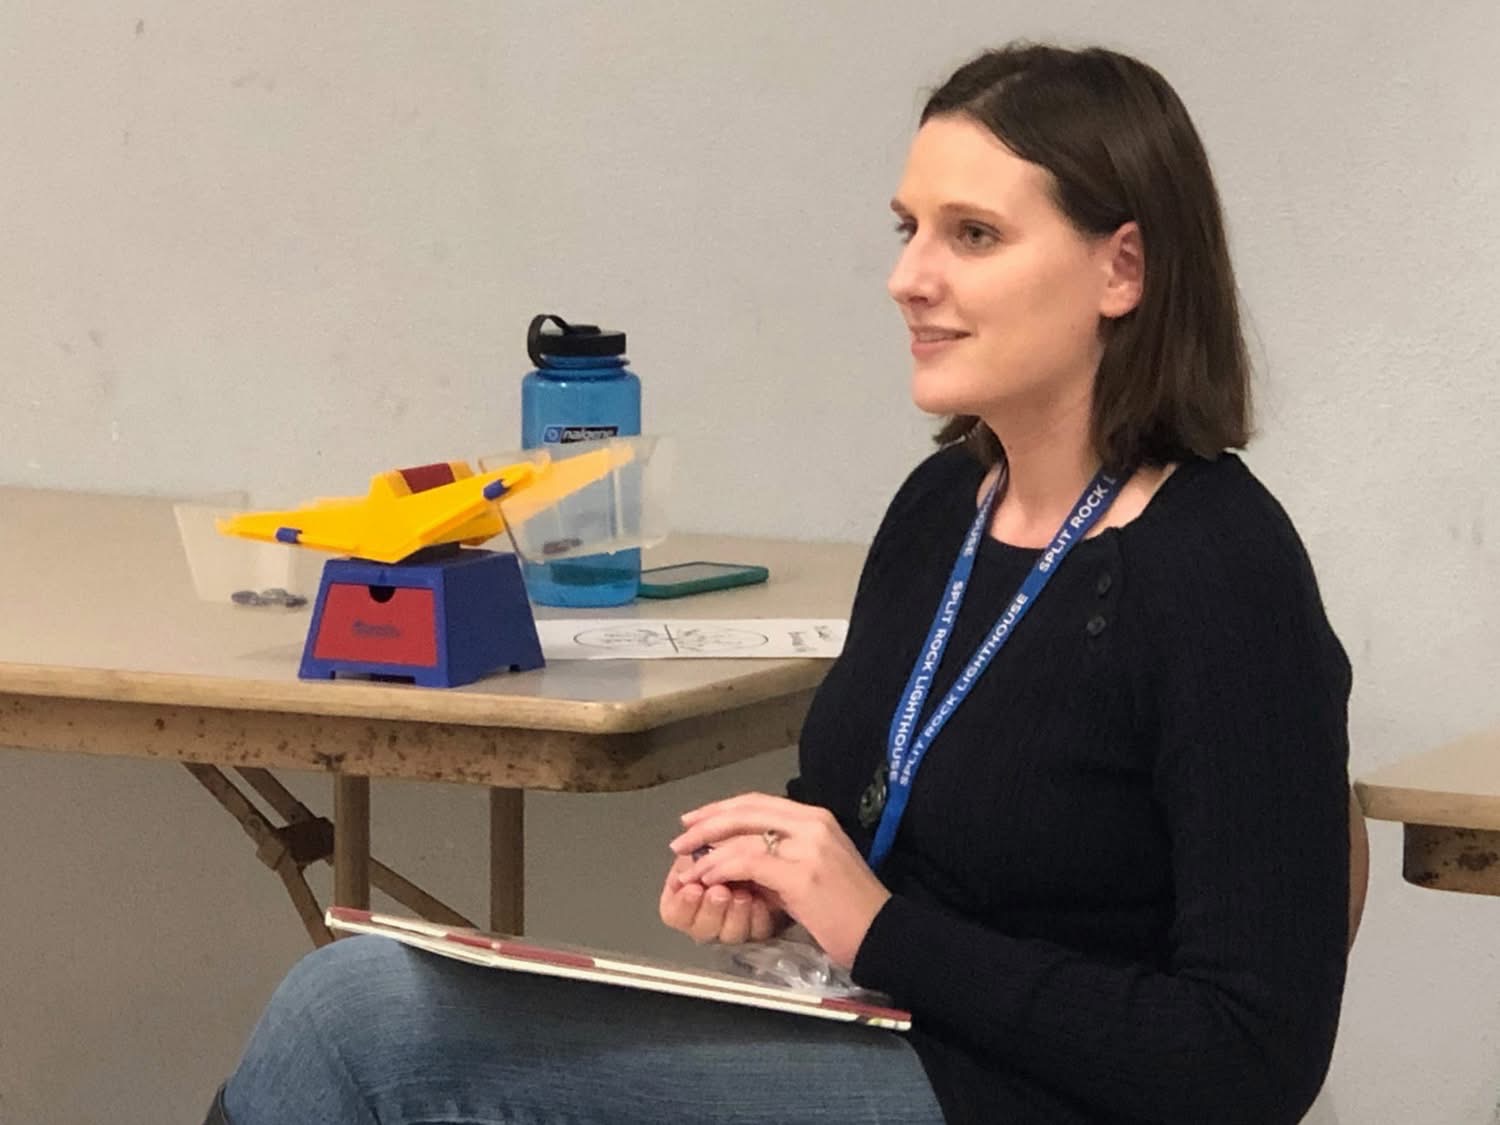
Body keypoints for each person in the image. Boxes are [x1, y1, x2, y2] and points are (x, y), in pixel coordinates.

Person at [207, 42, 1354, 1125]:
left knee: (360, 1026)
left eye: (974, 235)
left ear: (1122, 268)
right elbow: (876, 809)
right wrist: (773, 880)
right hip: (871, 1025)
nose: (908, 279)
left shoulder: (1219, 573)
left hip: (1020, 1096)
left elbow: (1250, 1060)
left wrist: (877, 928)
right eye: (908, 229)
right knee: (358, 997)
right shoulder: (943, 510)